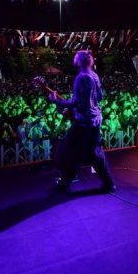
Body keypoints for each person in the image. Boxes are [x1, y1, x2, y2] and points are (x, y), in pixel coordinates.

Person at [48, 50, 115, 193]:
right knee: (94, 153)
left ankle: (64, 185)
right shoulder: (94, 75)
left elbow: (75, 102)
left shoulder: (80, 77)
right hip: (95, 120)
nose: (74, 58)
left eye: (75, 57)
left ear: (80, 61)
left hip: (83, 122)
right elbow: (100, 97)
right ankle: (109, 184)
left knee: (69, 151)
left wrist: (55, 101)